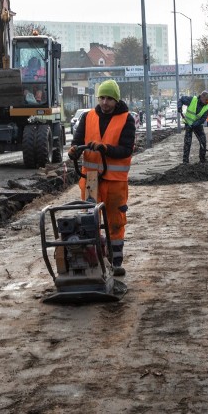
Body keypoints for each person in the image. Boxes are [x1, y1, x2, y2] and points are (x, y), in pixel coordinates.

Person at [68, 79, 135, 277]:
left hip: (115, 181)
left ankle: (116, 261)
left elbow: (125, 150)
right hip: (90, 181)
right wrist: (74, 151)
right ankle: (94, 260)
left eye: (109, 99)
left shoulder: (126, 119)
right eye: (102, 98)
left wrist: (105, 149)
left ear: (116, 100)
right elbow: (78, 141)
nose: (105, 102)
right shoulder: (88, 117)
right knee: (90, 220)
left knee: (115, 221)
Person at [178, 91, 208, 163]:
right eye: (206, 99)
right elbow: (181, 99)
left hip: (198, 125)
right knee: (187, 142)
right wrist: (179, 106)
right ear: (202, 97)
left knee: (203, 141)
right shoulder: (192, 100)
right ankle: (185, 161)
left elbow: (203, 119)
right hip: (188, 124)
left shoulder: (207, 106)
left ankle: (202, 159)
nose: (207, 101)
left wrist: (195, 124)